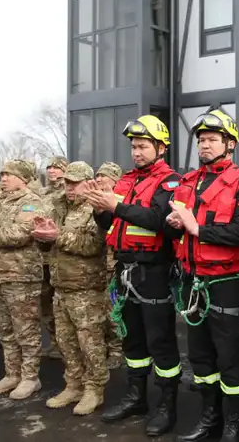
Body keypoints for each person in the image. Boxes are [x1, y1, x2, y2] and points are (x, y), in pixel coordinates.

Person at [84, 115, 182, 437]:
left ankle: (168, 405)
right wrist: (101, 210)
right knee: (133, 339)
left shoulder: (171, 182)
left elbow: (161, 220)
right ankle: (136, 397)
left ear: (160, 148)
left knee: (161, 342)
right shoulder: (125, 180)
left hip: (153, 272)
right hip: (124, 270)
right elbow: (112, 226)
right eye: (133, 147)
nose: (136, 152)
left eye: (142, 146)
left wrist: (118, 204)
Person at [167, 109, 239, 442]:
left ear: (229, 143)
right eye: (201, 140)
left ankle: (235, 425)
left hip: (228, 283)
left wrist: (196, 227)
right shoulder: (188, 181)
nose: (204, 145)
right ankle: (210, 418)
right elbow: (178, 218)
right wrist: (176, 223)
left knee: (230, 355)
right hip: (194, 280)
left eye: (212, 140)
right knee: (201, 355)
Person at [34, 161, 109, 416]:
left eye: (75, 183)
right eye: (67, 183)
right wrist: (42, 237)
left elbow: (93, 246)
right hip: (61, 287)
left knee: (90, 343)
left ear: (88, 183)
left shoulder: (95, 209)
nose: (70, 188)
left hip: (86, 289)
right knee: (66, 342)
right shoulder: (58, 207)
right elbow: (49, 245)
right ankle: (74, 384)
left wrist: (58, 236)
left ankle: (94, 389)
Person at [0, 159, 45, 399]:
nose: (3, 179)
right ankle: (12, 373)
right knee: (4, 329)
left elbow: (18, 235)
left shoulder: (31, 203)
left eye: (9, 175)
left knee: (26, 330)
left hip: (21, 275)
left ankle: (30, 377)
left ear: (22, 179)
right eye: (2, 174)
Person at [39, 156, 69, 360]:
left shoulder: (68, 191)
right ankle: (56, 342)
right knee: (45, 304)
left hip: (60, 254)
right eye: (49, 167)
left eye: (56, 167)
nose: (51, 171)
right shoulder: (42, 193)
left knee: (63, 305)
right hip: (42, 256)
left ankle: (67, 344)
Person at [95, 161, 125, 370]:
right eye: (97, 176)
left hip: (113, 265)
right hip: (95, 267)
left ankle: (117, 350)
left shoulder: (119, 204)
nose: (99, 180)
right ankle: (105, 347)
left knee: (113, 310)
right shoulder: (94, 203)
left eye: (103, 176)